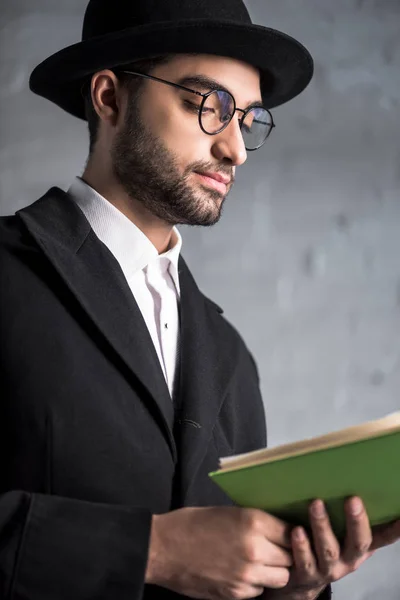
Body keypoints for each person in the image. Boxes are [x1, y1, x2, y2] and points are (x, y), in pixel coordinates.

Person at [0, 0, 399, 599]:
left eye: (248, 120)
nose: (235, 150)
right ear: (109, 98)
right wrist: (152, 550)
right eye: (208, 107)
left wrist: (290, 586)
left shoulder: (229, 357)